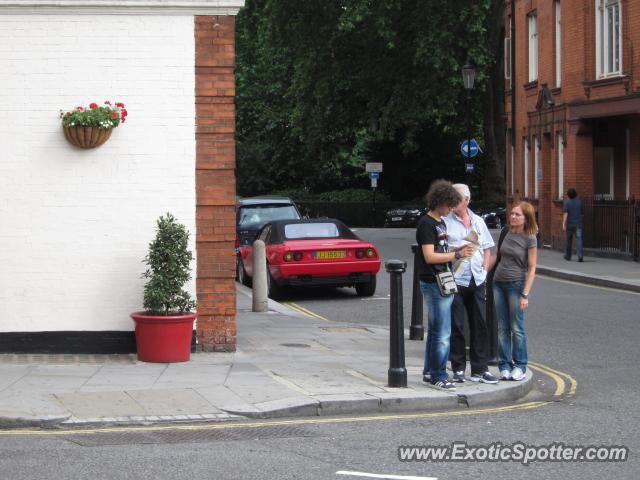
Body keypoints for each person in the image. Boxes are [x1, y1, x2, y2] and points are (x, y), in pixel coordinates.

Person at [417, 180, 474, 391]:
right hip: (434, 282)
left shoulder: (440, 223)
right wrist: (457, 254)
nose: (451, 209)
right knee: (442, 333)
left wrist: (458, 248)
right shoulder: (426, 224)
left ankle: (429, 371)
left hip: (443, 280)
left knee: (435, 331)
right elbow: (430, 256)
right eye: (449, 205)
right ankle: (439, 375)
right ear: (439, 201)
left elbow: (440, 248)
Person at [443, 184, 499, 384]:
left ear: (466, 200)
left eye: (456, 198)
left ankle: (480, 369)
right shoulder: (445, 222)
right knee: (456, 325)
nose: (452, 202)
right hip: (456, 279)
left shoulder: (478, 222)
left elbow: (487, 249)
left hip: (476, 278)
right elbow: (441, 250)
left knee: (480, 324)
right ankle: (458, 369)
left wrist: (484, 271)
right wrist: (458, 249)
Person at [492, 202, 538, 381]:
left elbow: (532, 268)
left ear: (526, 218)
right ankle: (504, 365)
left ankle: (520, 365)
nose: (513, 217)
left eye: (517, 215)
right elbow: (497, 255)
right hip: (498, 283)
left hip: (516, 284)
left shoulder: (530, 238)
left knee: (517, 327)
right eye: (512, 214)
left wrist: (525, 294)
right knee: (502, 327)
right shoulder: (506, 231)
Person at [563, 188, 583, 262]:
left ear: (568, 195)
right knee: (579, 240)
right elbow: (582, 213)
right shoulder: (579, 202)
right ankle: (580, 256)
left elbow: (566, 214)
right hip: (578, 224)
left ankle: (568, 256)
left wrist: (563, 223)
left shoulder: (567, 203)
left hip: (570, 224)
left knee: (569, 240)